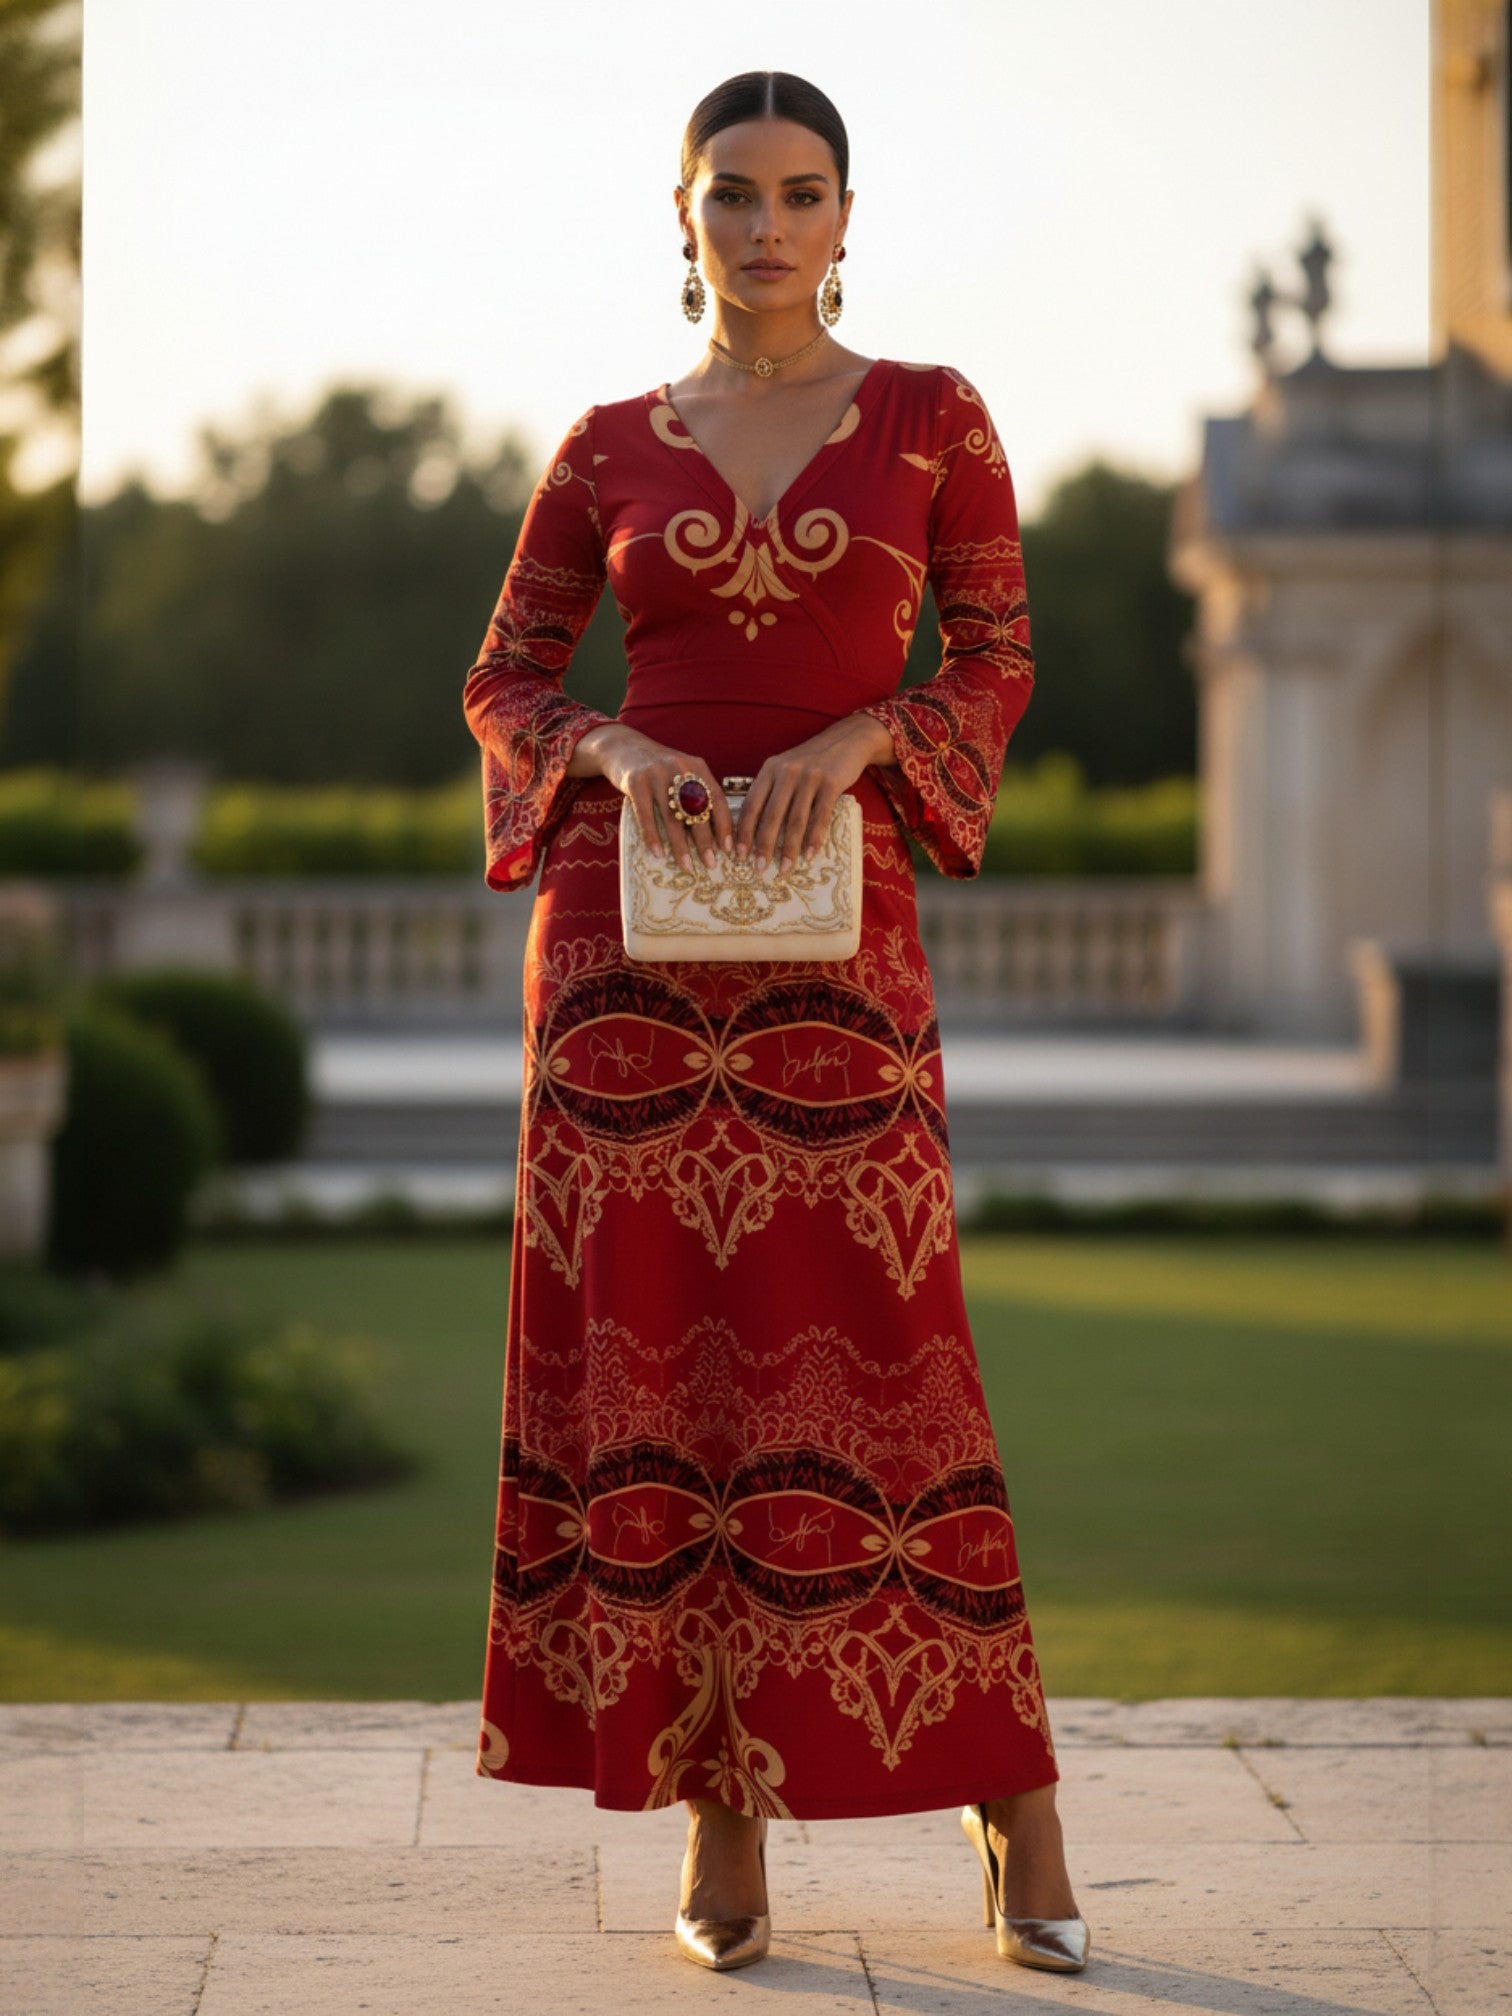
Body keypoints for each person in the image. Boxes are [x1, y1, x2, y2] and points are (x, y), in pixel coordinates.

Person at [462, 68, 1089, 1978]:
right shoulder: (600, 447)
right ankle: (723, 1833)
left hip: (840, 943)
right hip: (625, 970)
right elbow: (502, 683)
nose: (762, 225)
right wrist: (617, 748)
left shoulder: (929, 419)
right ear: (681, 216)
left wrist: (870, 732)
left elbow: (996, 656)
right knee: (667, 1374)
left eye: (797, 192)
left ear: (843, 216)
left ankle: (1016, 1804)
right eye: (727, 193)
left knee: (899, 1365)